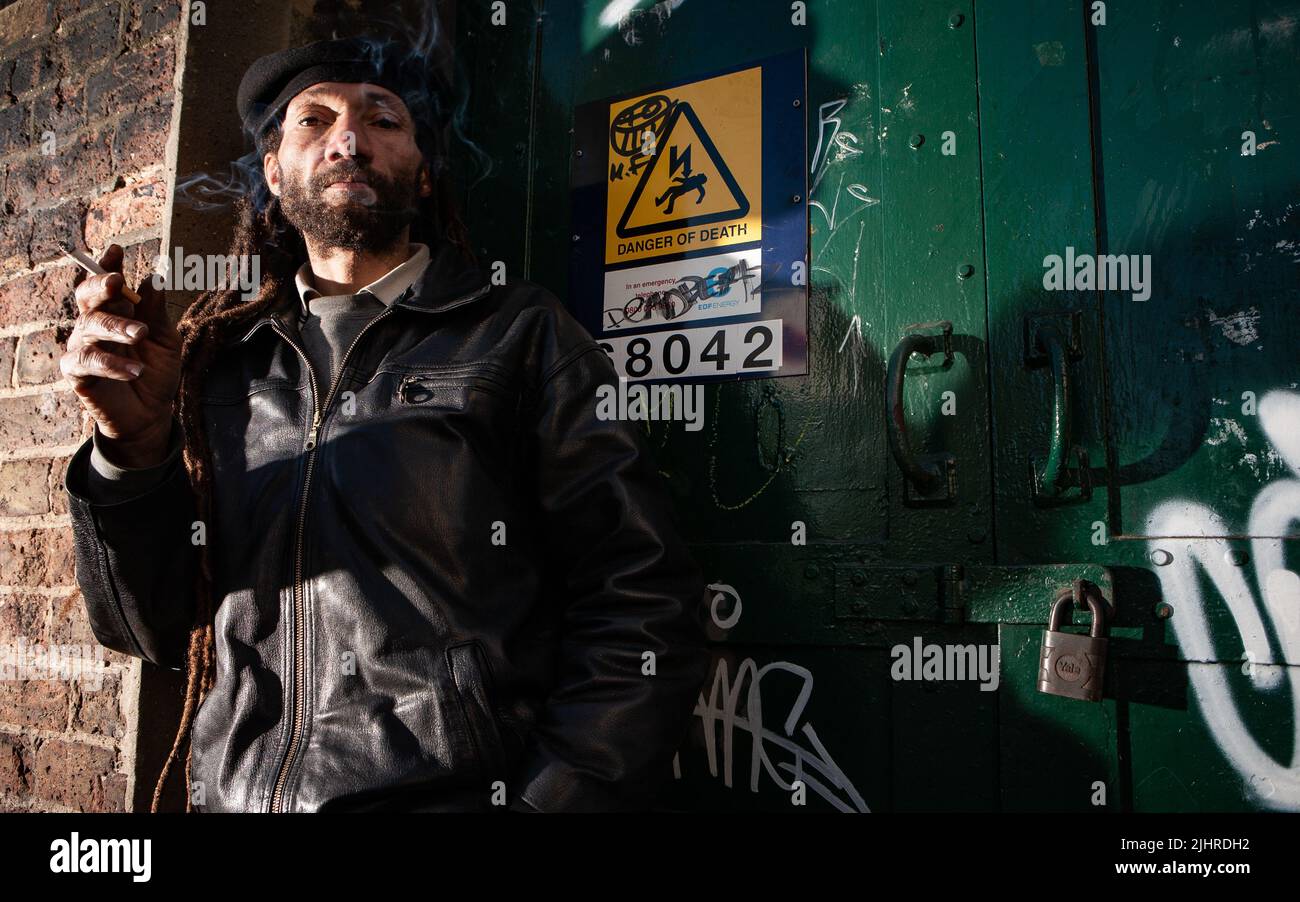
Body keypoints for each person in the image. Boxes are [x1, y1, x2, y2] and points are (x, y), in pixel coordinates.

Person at [60, 36, 711, 813]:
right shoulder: (218, 365)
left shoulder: (520, 336)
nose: (348, 139)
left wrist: (551, 802)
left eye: (383, 120)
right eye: (314, 119)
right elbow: (152, 633)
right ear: (273, 173)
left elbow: (641, 600)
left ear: (424, 171)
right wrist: (130, 453)